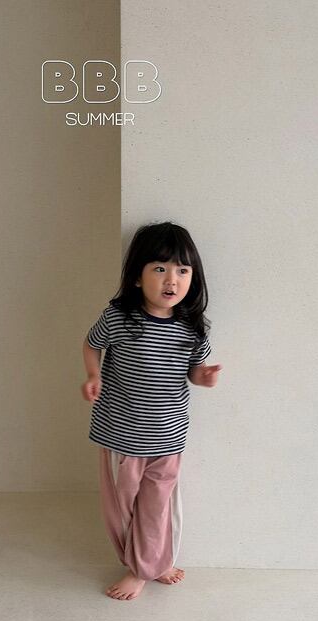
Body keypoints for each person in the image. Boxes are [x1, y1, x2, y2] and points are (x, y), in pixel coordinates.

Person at [81, 221, 222, 601]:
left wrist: (204, 377)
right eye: (160, 268)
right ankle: (145, 562)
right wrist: (93, 375)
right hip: (120, 438)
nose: (171, 280)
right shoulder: (119, 319)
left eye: (182, 270)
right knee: (122, 509)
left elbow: (193, 371)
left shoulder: (194, 329)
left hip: (167, 438)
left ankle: (144, 568)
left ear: (193, 277)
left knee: (157, 508)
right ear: (137, 277)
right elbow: (91, 344)